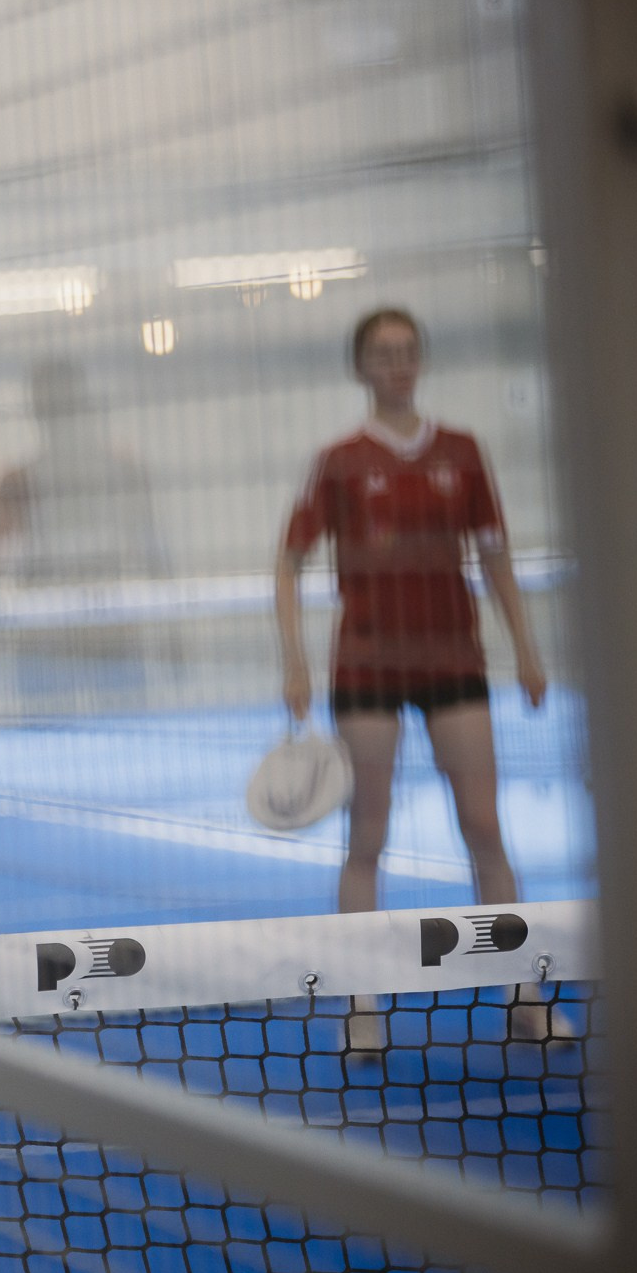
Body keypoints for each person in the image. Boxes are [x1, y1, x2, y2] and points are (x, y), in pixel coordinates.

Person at [275, 308, 547, 915]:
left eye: (408, 351)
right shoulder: (337, 460)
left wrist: (527, 650)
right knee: (367, 834)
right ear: (360, 367)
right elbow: (287, 563)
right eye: (383, 353)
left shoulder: (463, 451)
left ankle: (524, 1000)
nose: (398, 365)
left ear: (421, 360)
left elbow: (496, 558)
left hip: (453, 661)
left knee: (483, 825)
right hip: (367, 668)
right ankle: (360, 1008)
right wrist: (294, 663)